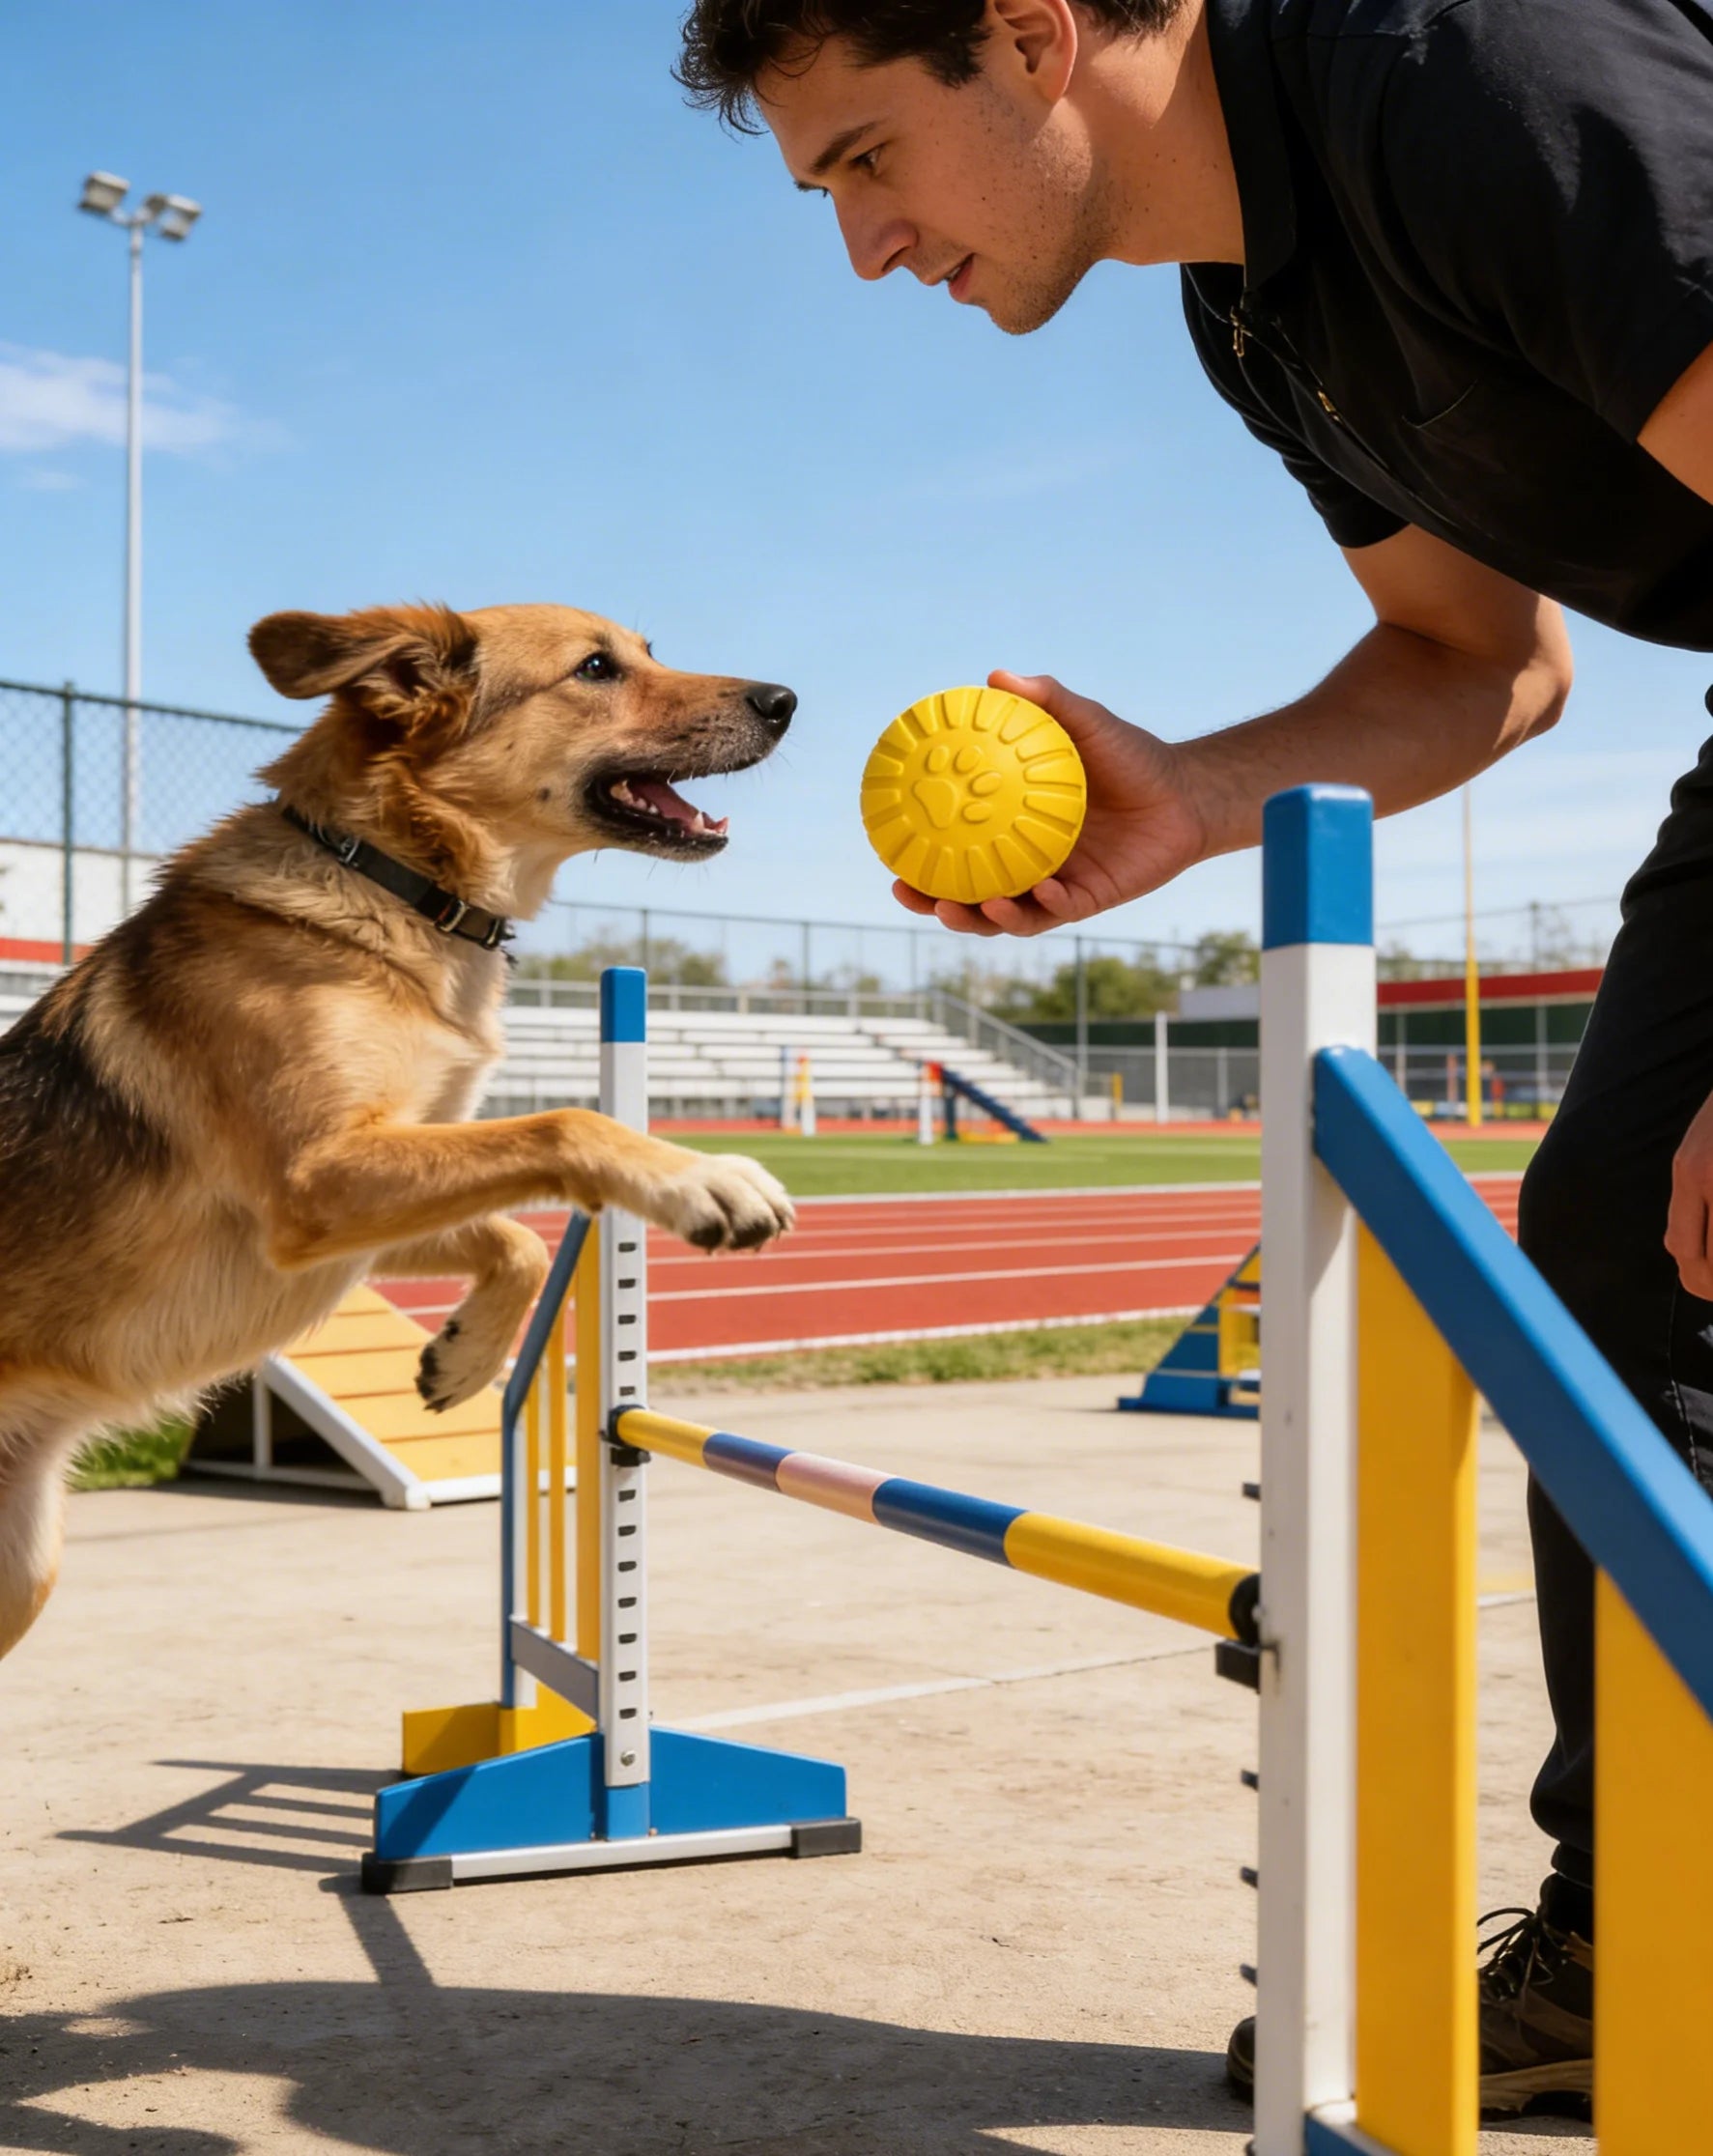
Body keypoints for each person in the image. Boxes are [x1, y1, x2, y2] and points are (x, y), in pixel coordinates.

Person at [675, 0, 1713, 2118]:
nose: (862, 247)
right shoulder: (1254, 310)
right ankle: (1661, 1932)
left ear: (1030, 34)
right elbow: (1477, 659)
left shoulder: (1471, 77)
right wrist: (1199, 793)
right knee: (1626, 1239)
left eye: (864, 159)